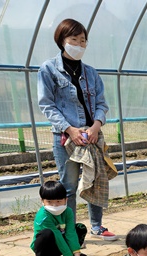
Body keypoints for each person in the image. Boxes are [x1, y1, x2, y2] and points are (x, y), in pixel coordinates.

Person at [38, 18, 117, 240]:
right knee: (69, 186)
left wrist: (95, 127)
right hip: (67, 138)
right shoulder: (49, 69)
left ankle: (97, 226)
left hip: (92, 135)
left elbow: (102, 103)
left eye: (83, 41)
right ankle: (70, 231)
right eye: (74, 39)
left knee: (96, 180)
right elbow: (47, 104)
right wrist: (70, 129)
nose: (80, 45)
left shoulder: (91, 73)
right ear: (62, 40)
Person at [30, 180, 88, 256]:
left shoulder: (68, 212)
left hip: (62, 244)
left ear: (66, 199)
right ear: (42, 201)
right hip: (48, 248)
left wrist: (76, 253)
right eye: (49, 202)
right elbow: (57, 235)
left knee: (80, 228)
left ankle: (73, 253)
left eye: (58, 201)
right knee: (47, 233)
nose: (54, 205)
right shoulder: (43, 216)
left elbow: (70, 232)